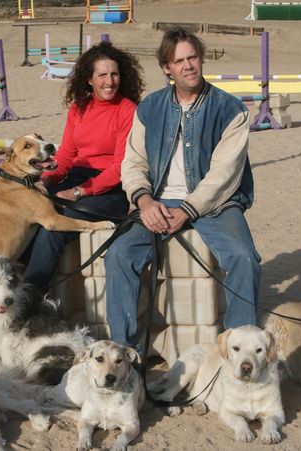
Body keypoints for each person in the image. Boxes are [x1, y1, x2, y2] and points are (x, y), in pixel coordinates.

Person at [104, 27, 261, 348]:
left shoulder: (231, 110)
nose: (188, 65)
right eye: (179, 61)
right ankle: (124, 352)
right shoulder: (149, 108)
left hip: (215, 203)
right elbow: (133, 162)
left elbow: (224, 176)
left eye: (193, 57)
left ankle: (241, 350)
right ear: (167, 68)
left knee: (244, 258)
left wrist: (188, 209)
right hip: (158, 199)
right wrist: (144, 200)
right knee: (118, 254)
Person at [24, 41, 145, 293]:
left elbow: (120, 168)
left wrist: (80, 192)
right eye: (102, 75)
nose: (109, 81)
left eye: (114, 74)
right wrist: (46, 179)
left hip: (110, 191)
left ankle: (32, 297)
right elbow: (67, 154)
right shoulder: (78, 107)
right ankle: (14, 288)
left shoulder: (128, 111)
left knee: (56, 225)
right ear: (89, 80)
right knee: (27, 216)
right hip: (74, 179)